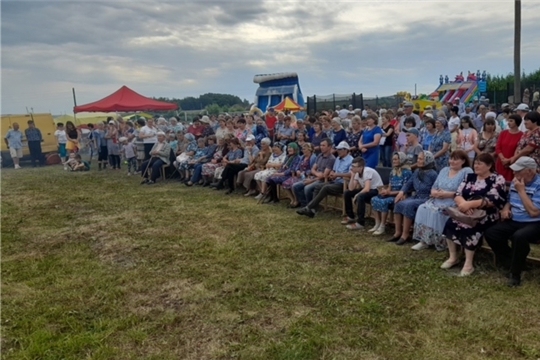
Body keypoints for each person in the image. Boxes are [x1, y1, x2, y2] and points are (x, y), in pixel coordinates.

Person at [441, 153, 507, 276]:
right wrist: (464, 205)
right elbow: (458, 194)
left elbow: (493, 199)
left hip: (487, 214)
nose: (476, 166)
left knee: (469, 226)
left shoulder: (497, 178)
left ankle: (468, 263)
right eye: (475, 163)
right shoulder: (469, 176)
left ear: (489, 165)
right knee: (451, 222)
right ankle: (453, 257)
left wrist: (470, 205)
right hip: (465, 210)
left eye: (479, 163)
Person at [485, 157, 540, 287]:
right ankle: (513, 262)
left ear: (529, 171)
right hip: (515, 220)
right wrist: (505, 208)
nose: (514, 174)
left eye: (518, 171)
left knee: (519, 237)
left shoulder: (537, 184)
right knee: (491, 233)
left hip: (535, 222)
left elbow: (533, 212)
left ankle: (515, 275)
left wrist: (521, 191)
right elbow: (510, 200)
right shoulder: (518, 181)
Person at [411, 150, 473, 251]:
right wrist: (435, 192)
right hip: (437, 199)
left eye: (455, 159)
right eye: (451, 159)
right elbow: (434, 186)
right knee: (423, 208)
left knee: (438, 212)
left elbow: (467, 191)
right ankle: (424, 240)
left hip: (454, 202)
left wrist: (447, 194)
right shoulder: (444, 169)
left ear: (463, 161)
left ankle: (440, 241)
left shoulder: (467, 171)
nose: (452, 161)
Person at [388, 151, 438, 245]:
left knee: (409, 205)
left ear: (427, 160)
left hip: (426, 198)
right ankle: (397, 232)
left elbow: (436, 187)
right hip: (416, 196)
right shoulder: (417, 171)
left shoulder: (433, 174)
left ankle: (405, 234)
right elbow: (408, 183)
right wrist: (401, 192)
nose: (418, 160)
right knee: (398, 202)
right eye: (418, 158)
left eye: (420, 159)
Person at [296, 141, 353, 218]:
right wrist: (332, 173)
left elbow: (351, 174)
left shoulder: (351, 160)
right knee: (318, 186)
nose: (338, 151)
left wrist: (337, 174)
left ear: (346, 150)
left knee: (325, 187)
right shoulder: (338, 159)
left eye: (340, 149)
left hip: (344, 183)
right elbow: (334, 170)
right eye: (337, 149)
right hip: (335, 181)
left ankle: (308, 207)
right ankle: (312, 210)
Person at [370, 152, 412, 236]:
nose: (394, 161)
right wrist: (386, 191)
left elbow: (405, 189)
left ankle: (382, 226)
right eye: (393, 159)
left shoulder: (407, 172)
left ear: (402, 160)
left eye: (396, 159)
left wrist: (390, 192)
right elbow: (390, 185)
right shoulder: (392, 171)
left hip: (401, 195)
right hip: (391, 193)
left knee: (383, 202)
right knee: (374, 199)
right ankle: (377, 223)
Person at [292, 138, 336, 208]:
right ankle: (304, 204)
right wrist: (316, 173)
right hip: (314, 177)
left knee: (307, 188)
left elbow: (324, 176)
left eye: (323, 145)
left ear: (329, 147)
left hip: (322, 181)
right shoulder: (319, 155)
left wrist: (311, 180)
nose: (321, 147)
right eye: (320, 145)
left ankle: (311, 207)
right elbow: (312, 169)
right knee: (295, 186)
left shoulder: (331, 159)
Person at [342, 157, 383, 230]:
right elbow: (351, 188)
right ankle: (351, 216)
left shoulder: (367, 171)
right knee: (347, 193)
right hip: (368, 189)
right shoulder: (357, 173)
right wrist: (352, 176)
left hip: (376, 190)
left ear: (360, 167)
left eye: (354, 167)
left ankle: (360, 223)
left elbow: (367, 188)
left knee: (360, 196)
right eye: (352, 166)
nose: (352, 168)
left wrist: (357, 195)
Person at [282, 143, 317, 208]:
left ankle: (299, 201)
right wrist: (297, 170)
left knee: (294, 184)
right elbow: (297, 166)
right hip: (299, 175)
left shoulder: (313, 157)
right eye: (302, 149)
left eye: (304, 149)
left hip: (308, 176)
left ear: (309, 150)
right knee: (285, 183)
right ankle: (294, 199)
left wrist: (305, 172)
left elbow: (313, 169)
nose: (302, 150)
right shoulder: (302, 157)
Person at [495, 114, 524, 181]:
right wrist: (502, 159)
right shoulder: (503, 133)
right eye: (508, 121)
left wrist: (509, 160)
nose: (508, 122)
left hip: (513, 163)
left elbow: (519, 150)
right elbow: (498, 147)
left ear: (516, 122)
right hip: (501, 162)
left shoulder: (522, 135)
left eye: (511, 121)